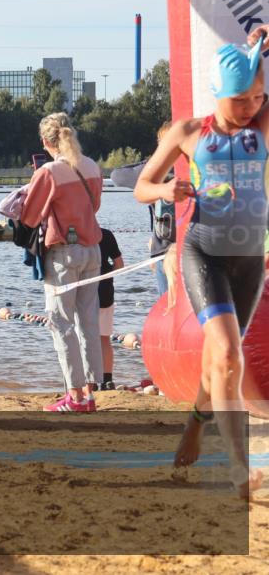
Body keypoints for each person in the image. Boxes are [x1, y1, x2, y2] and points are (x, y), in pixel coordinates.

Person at [134, 27, 267, 498]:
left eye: (258, 96)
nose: (251, 106)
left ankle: (195, 421)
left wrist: (260, 51)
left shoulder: (262, 127)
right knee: (229, 354)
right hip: (204, 252)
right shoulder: (189, 133)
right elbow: (141, 186)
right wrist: (167, 189)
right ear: (218, 94)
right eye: (241, 99)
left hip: (250, 260)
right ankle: (238, 468)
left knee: (219, 359)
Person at [20, 112, 104, 413]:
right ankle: (91, 392)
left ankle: (75, 396)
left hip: (64, 254)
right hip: (93, 249)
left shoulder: (48, 172)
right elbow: (95, 205)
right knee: (88, 322)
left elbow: (28, 217)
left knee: (60, 323)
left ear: (45, 141)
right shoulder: (92, 165)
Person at [110, 122, 176, 295]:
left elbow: (117, 175)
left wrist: (151, 162)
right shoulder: (197, 166)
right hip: (192, 250)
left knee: (170, 311)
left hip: (165, 252)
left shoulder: (154, 171)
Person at [98, 228, 124, 390]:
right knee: (104, 338)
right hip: (105, 291)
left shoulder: (74, 234)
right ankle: (107, 379)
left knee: (84, 338)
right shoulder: (106, 234)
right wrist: (107, 277)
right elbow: (119, 264)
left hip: (84, 293)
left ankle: (90, 379)